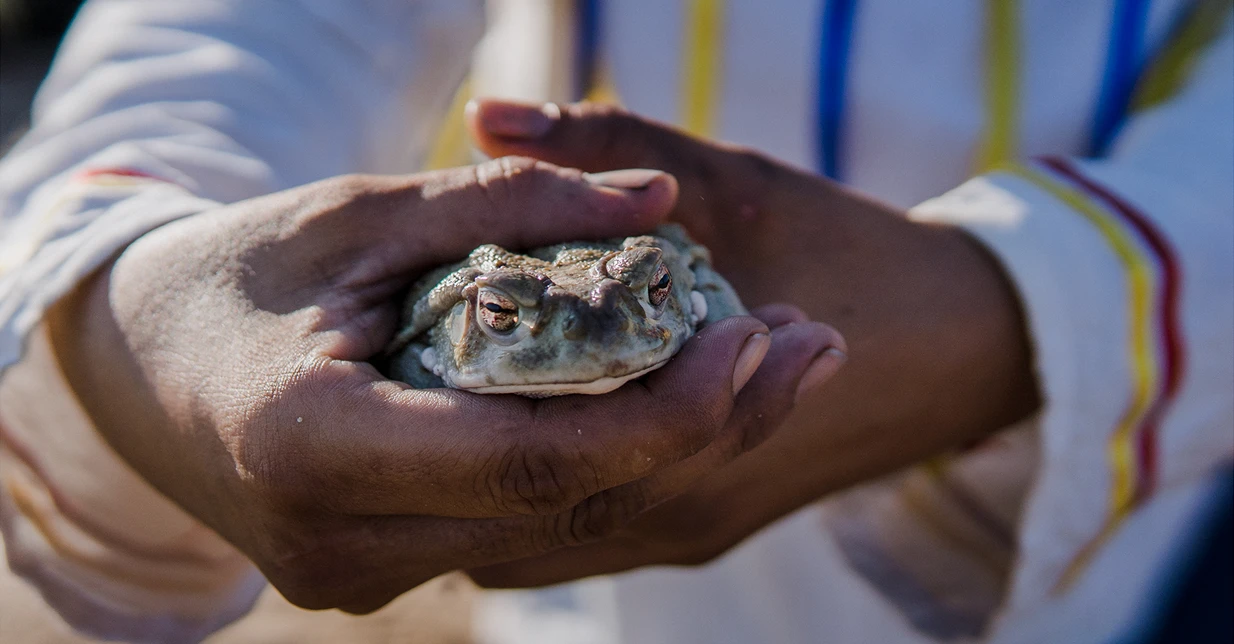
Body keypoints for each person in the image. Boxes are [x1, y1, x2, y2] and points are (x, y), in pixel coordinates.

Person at [0, 1, 1229, 643]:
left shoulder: (679, 292)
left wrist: (1042, 299)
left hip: (1163, 484)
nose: (580, 331)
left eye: (632, 305)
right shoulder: (458, 317)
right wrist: (127, 286)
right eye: (515, 315)